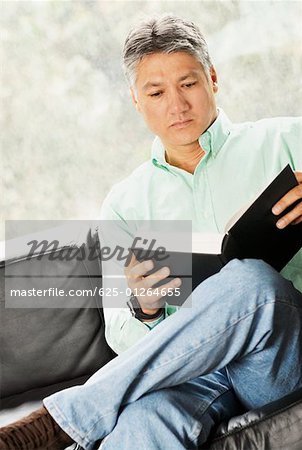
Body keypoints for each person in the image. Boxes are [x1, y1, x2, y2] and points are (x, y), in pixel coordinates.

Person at [1, 14, 302, 450]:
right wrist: (144, 308)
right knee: (144, 419)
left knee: (251, 281)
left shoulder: (289, 141)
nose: (176, 105)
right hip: (196, 378)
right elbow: (121, 332)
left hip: (280, 355)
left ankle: (58, 422)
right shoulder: (126, 205)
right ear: (135, 101)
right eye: (156, 92)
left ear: (213, 79)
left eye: (188, 84)